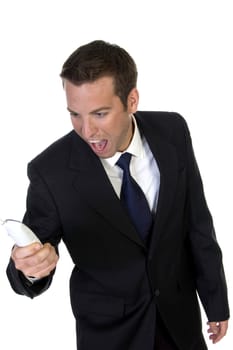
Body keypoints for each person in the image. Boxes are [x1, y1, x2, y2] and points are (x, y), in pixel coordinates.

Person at [7, 40, 229, 350]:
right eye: (75, 114)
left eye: (100, 114)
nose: (87, 131)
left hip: (180, 324)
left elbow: (197, 223)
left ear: (132, 100)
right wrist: (29, 269)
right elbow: (31, 258)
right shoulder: (51, 171)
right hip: (110, 335)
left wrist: (216, 301)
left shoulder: (173, 131)